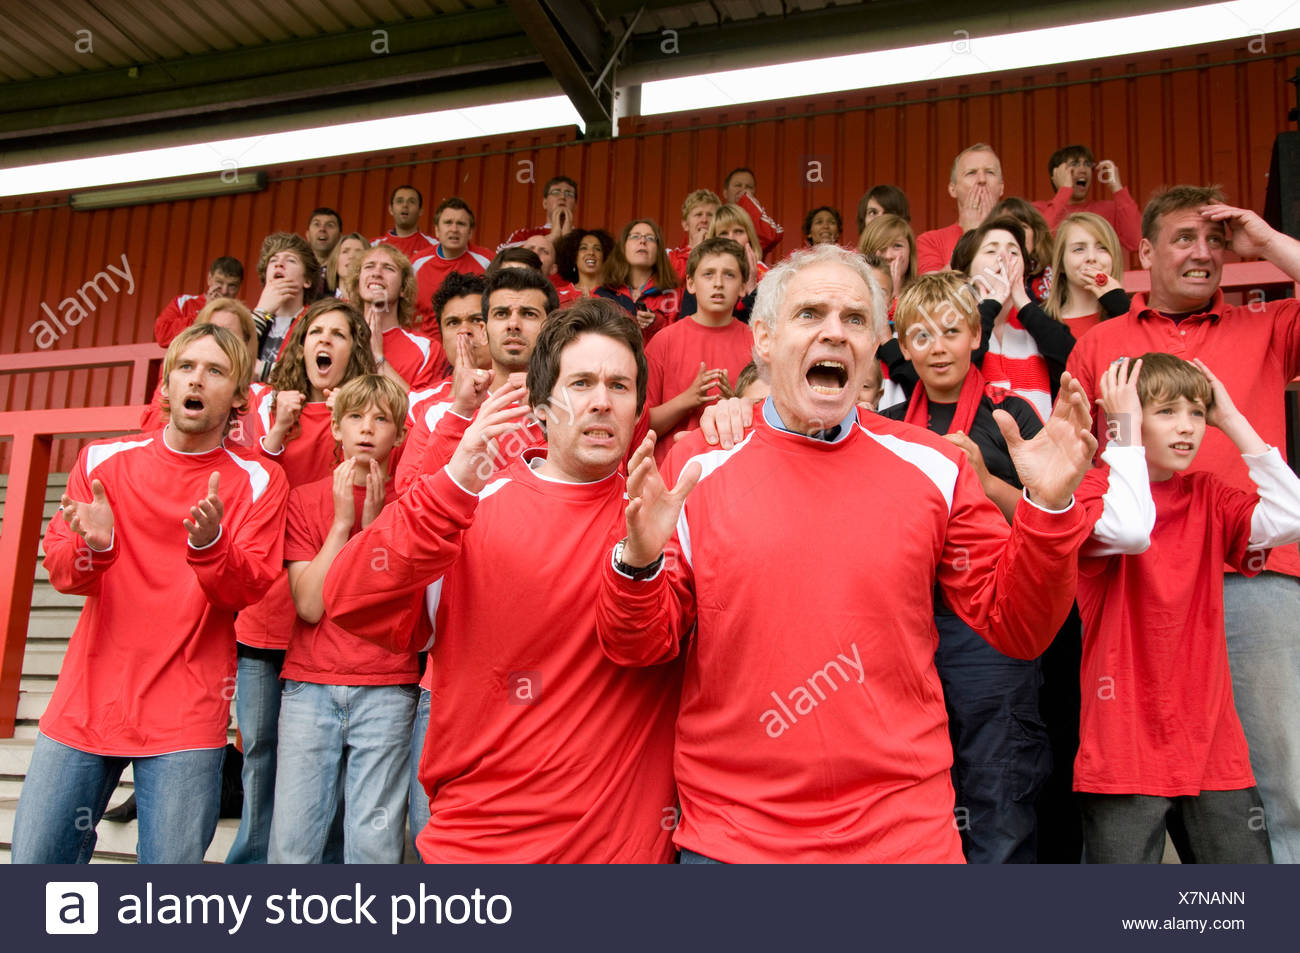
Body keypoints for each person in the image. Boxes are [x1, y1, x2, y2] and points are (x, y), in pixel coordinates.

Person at [596, 243, 1098, 863]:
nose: (835, 332)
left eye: (856, 319)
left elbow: (1018, 628)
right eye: (810, 314)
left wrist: (1047, 511)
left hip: (903, 843)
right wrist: (638, 564)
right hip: (736, 844)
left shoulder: (934, 465)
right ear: (764, 339)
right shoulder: (695, 468)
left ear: (873, 347)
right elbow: (639, 646)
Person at [322, 299, 681, 863]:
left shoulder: (661, 518)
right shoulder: (467, 505)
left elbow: (644, 646)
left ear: (639, 408)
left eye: (620, 385)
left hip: (619, 853)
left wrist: (638, 562)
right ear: (539, 407)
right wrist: (454, 480)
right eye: (580, 383)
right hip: (479, 850)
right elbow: (348, 600)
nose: (601, 402)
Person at [1065, 185, 1300, 863]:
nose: (1203, 254)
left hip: (1255, 571)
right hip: (1133, 584)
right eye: (1184, 239)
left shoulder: (1266, 323)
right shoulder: (1102, 341)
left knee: (1275, 782)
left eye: (1216, 241)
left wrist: (1268, 243)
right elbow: (1076, 451)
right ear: (1144, 251)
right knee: (1137, 778)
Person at [12, 323, 288, 864]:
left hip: (184, 715)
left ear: (238, 397)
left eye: (215, 371)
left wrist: (209, 545)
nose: (197, 380)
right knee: (35, 876)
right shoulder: (100, 462)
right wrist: (99, 544)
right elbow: (66, 574)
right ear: (165, 386)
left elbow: (250, 587)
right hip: (86, 703)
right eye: (186, 367)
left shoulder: (259, 480)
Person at [879, 272, 1049, 862]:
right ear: (903, 348)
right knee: (917, 786)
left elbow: (1051, 520)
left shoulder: (1014, 416)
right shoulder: (891, 426)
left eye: (952, 331)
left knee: (998, 788)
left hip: (990, 631)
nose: (938, 346)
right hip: (911, 627)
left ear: (976, 334)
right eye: (920, 336)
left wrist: (985, 482)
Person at [227, 299, 376, 865]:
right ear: (301, 345)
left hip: (336, 612)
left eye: (340, 334)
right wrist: (275, 436)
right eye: (317, 331)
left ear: (353, 350)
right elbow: (243, 496)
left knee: (332, 753)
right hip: (270, 610)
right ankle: (252, 864)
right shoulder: (267, 408)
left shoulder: (366, 415)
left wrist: (350, 420)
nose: (327, 341)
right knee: (262, 748)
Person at [270, 374, 420, 864]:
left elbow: (389, 606)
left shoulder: (410, 505)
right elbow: (310, 606)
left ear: (400, 435)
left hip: (387, 685)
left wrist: (376, 528)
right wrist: (342, 525)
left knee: (373, 844)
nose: (367, 429)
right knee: (295, 841)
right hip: (309, 685)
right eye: (355, 416)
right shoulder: (304, 499)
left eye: (381, 419)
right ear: (335, 427)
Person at [395, 266, 557, 494]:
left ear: (551, 328)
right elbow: (411, 500)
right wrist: (459, 417)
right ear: (483, 331)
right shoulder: (440, 413)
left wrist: (544, 417)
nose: (513, 324)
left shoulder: (570, 408)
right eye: (501, 314)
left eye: (529, 314)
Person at [951, 216, 1075, 420]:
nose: (1003, 258)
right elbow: (959, 365)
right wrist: (989, 305)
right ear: (967, 270)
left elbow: (1073, 362)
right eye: (991, 251)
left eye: (1013, 252)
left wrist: (1022, 299)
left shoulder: (1037, 322)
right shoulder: (953, 323)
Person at [645, 237, 752, 463]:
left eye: (729, 275)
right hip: (671, 471)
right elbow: (642, 424)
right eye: (708, 274)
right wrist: (687, 400)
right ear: (691, 284)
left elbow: (770, 421)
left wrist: (735, 403)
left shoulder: (757, 344)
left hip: (733, 471)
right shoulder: (664, 341)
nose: (718, 283)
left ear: (743, 287)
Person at [344, 244, 446, 390]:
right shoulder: (336, 336)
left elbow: (423, 410)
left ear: (403, 288)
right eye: (369, 266)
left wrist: (378, 358)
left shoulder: (427, 349)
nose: (376, 273)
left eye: (388, 268)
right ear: (357, 283)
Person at [1034, 145, 1142, 252]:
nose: (1083, 170)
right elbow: (1038, 242)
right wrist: (1064, 191)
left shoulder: (1109, 209)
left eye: (1087, 164)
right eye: (1074, 164)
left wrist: (1117, 188)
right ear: (1056, 174)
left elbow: (1137, 242)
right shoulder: (1037, 210)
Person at [1041, 212, 1129, 340]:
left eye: (1102, 248)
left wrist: (1120, 305)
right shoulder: (1042, 320)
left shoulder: (1133, 313)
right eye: (1079, 249)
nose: (1091, 257)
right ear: (1060, 264)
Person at [917, 144, 1004, 273]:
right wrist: (971, 236)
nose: (981, 179)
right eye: (971, 173)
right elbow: (934, 291)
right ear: (953, 189)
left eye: (990, 172)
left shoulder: (1019, 235)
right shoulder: (931, 241)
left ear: (1001, 188)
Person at [251, 233, 322, 382]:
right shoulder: (250, 318)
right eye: (273, 260)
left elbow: (313, 374)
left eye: (291, 260)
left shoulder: (317, 321)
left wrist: (260, 369)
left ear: (307, 280)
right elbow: (231, 362)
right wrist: (261, 312)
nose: (279, 264)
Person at [412, 197, 493, 327]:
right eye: (448, 223)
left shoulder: (488, 261)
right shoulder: (417, 263)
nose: (454, 229)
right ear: (437, 230)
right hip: (429, 343)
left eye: (461, 224)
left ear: (470, 232)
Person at [595, 219, 680, 342]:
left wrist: (656, 322)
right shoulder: (602, 292)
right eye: (635, 236)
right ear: (623, 246)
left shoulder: (673, 293)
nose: (643, 241)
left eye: (650, 238)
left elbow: (680, 338)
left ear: (659, 250)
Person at [153, 256, 244, 347]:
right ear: (209, 279)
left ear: (239, 286)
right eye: (219, 282)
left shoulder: (243, 316)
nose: (224, 291)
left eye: (232, 285)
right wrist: (205, 312)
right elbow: (162, 336)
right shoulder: (183, 302)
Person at [991, 197, 1055, 301]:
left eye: (1023, 227)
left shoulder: (1053, 278)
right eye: (1007, 227)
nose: (1017, 233)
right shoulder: (982, 276)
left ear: (1036, 235)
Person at [501, 174, 579, 249]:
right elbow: (501, 255)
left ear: (575, 205)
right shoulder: (524, 234)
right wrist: (553, 236)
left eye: (569, 194)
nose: (562, 197)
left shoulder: (585, 238)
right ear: (545, 203)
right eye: (556, 192)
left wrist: (569, 237)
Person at [721, 166, 784, 257]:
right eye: (738, 185)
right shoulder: (713, 216)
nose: (743, 190)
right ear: (725, 192)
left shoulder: (756, 218)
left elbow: (772, 236)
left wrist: (747, 202)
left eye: (748, 187)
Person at [858, 213, 917, 306]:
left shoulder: (923, 295)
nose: (888, 256)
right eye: (881, 247)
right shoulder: (853, 293)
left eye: (897, 246)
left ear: (910, 252)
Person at [371, 184, 436, 260]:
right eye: (399, 201)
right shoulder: (372, 246)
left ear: (420, 211)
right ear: (391, 209)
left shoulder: (435, 246)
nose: (405, 205)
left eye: (411, 202)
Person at [668, 189, 722, 279]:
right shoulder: (671, 257)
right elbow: (674, 280)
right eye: (698, 214)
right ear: (685, 224)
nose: (704, 220)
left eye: (710, 215)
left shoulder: (727, 255)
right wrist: (695, 251)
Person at [555, 228, 614, 298]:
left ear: (605, 258)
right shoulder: (557, 295)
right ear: (573, 257)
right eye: (583, 248)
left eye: (597, 249)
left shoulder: (617, 295)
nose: (591, 252)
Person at [523, 233, 580, 306]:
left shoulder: (565, 301)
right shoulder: (503, 287)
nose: (535, 253)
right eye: (530, 249)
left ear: (553, 269)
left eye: (544, 251)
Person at [325, 232, 368, 298]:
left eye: (359, 252)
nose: (351, 256)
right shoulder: (319, 302)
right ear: (335, 261)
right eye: (345, 251)